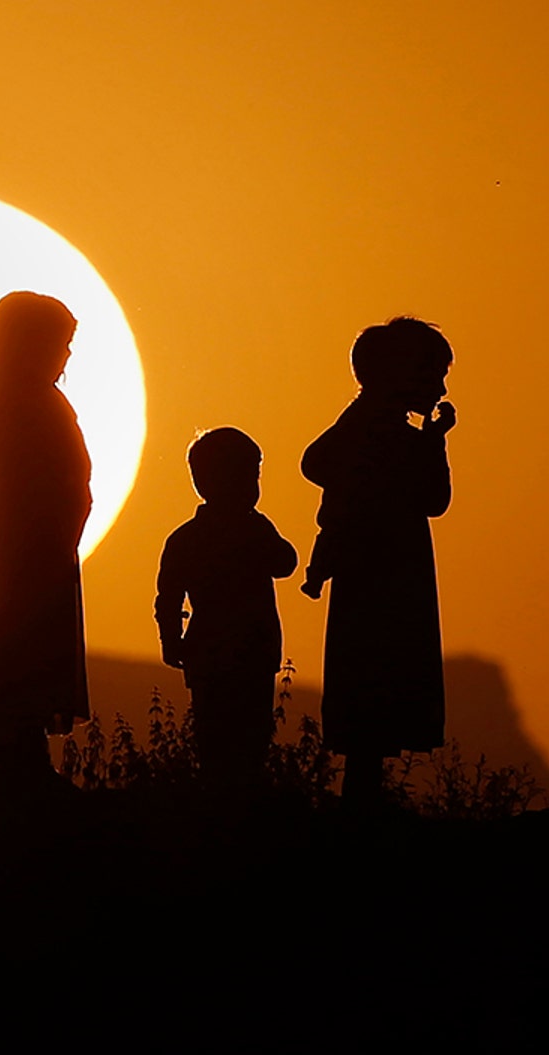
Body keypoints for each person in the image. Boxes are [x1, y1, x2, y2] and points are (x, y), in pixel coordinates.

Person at [300, 317, 456, 805]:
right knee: (378, 673)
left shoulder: (376, 428)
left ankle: (364, 790)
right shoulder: (385, 434)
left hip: (378, 568)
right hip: (386, 571)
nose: (440, 386)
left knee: (372, 674)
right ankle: (363, 798)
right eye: (432, 374)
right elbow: (435, 498)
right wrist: (433, 441)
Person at [0, 291, 92, 792]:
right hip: (25, 543)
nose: (66, 356)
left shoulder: (5, 398)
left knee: (24, 644)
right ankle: (17, 764)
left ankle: (22, 758)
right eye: (59, 344)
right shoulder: (17, 401)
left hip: (38, 541)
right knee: (21, 642)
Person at [155, 427, 299, 790]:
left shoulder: (185, 538)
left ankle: (220, 801)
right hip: (252, 649)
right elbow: (286, 562)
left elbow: (168, 596)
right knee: (248, 738)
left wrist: (171, 640)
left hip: (209, 652)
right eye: (251, 475)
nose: (254, 485)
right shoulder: (254, 529)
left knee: (215, 736)